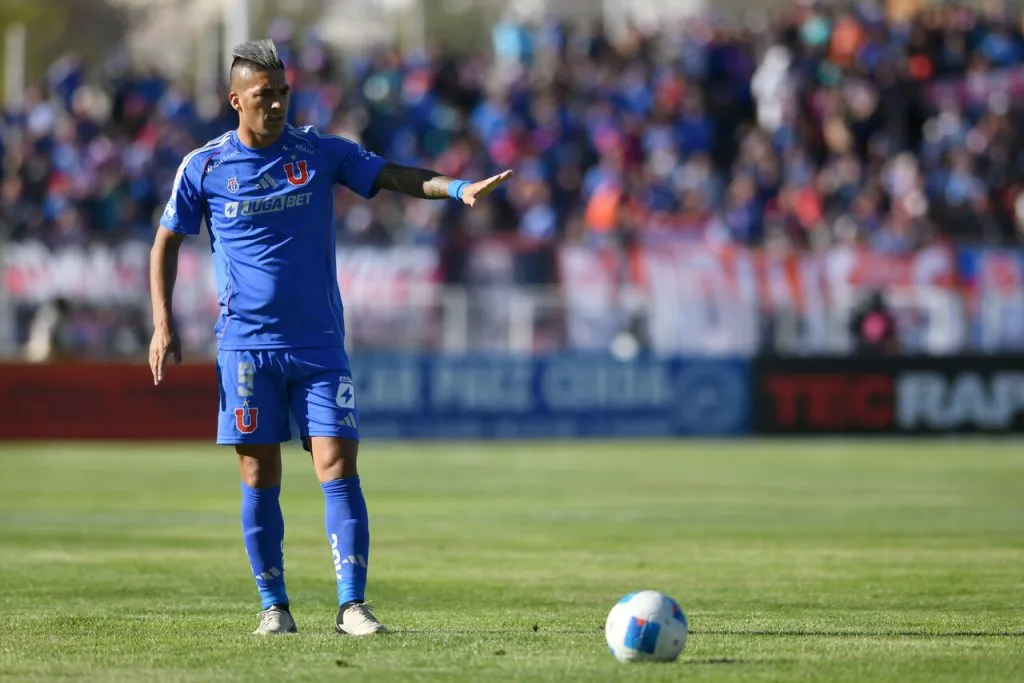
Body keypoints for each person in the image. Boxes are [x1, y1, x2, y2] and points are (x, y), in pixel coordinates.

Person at [148, 40, 512, 636]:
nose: (278, 105)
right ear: (235, 100)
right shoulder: (204, 166)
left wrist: (456, 189)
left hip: (318, 344)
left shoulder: (317, 151)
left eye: (284, 93)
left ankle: (351, 605)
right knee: (259, 474)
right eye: (265, 96)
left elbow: (392, 175)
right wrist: (163, 322)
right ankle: (275, 607)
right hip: (245, 347)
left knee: (338, 463)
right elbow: (166, 241)